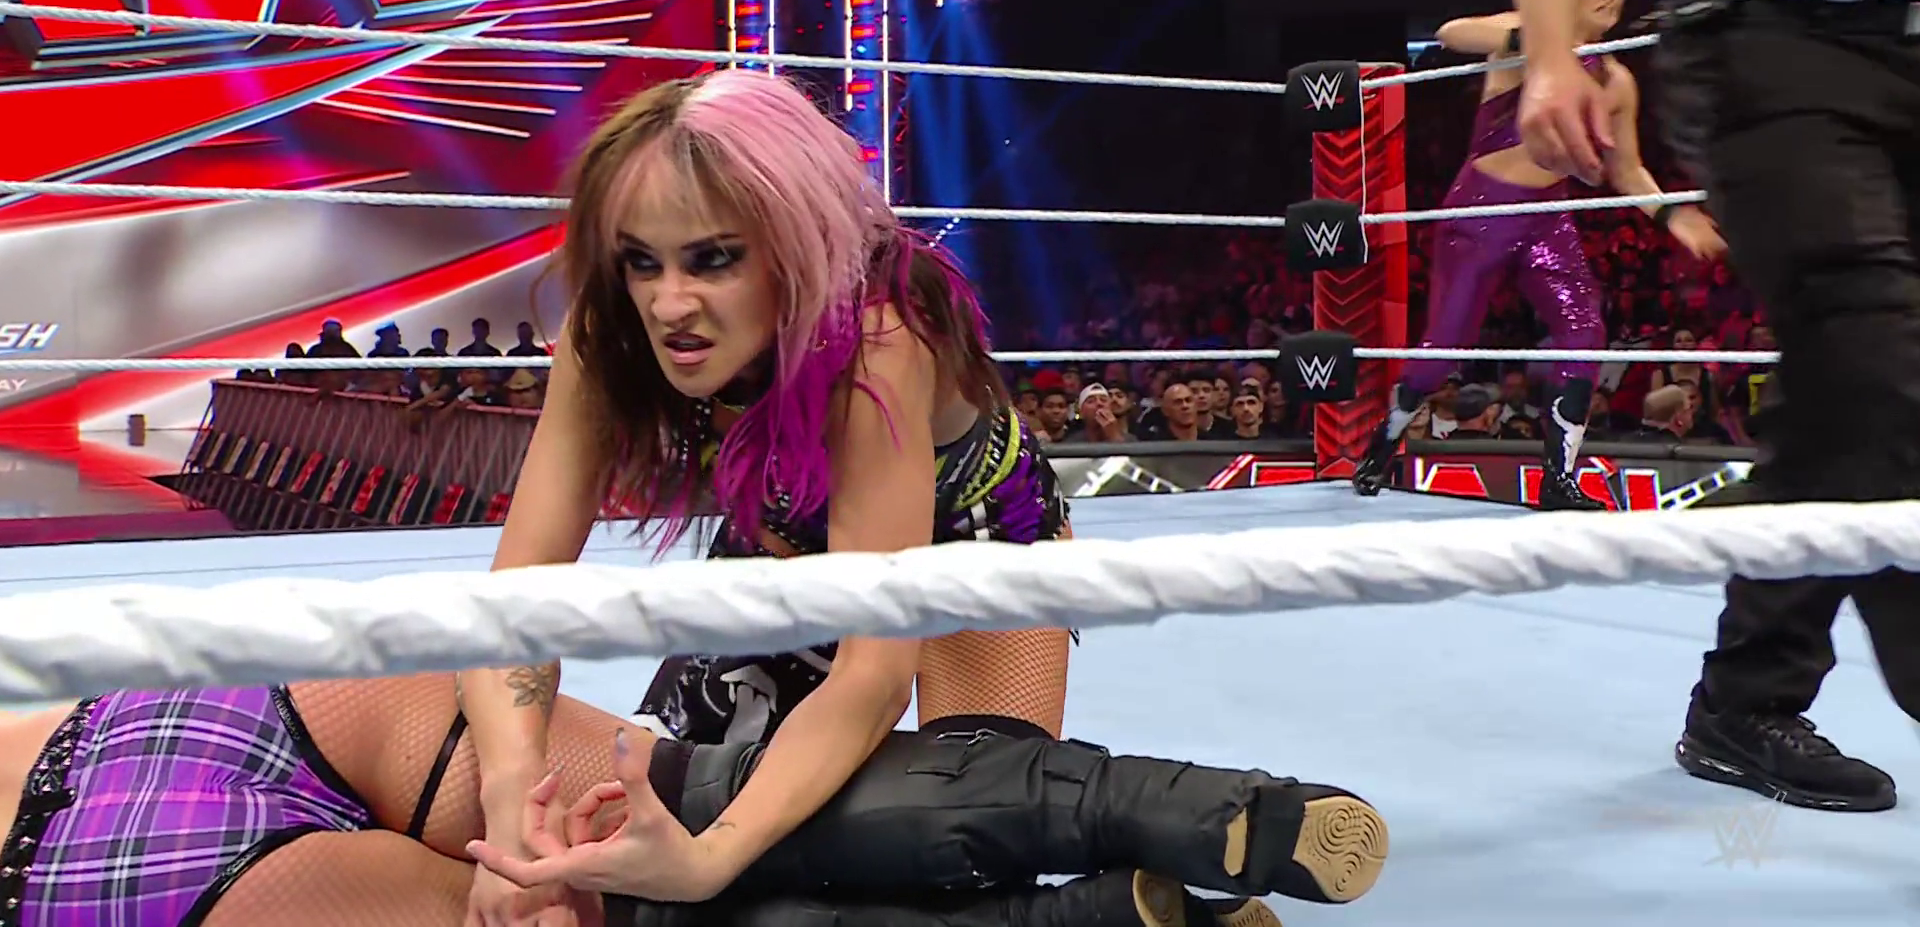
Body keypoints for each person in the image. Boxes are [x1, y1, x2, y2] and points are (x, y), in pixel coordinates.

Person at [451, 70, 1389, 920]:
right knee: (688, 817)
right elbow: (518, 606)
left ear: (795, 243)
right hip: (791, 539)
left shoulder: (876, 342)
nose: (669, 304)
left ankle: (1188, 821)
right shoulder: (607, 335)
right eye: (642, 261)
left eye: (714, 259)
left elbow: (871, 676)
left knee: (948, 826)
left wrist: (711, 860)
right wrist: (512, 809)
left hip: (977, 545)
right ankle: (1135, 916)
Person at [1507, 0, 1918, 813]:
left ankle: (1745, 698)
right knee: (1877, 363)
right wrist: (1552, 54)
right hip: (1767, 40)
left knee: (1839, 398)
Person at [0, 675, 1373, 926]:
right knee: (689, 800)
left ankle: (1102, 924)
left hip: (82, 872)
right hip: (153, 710)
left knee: (644, 915)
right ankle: (1203, 811)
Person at [1351, 0, 1725, 509]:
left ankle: (1559, 478)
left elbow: (1627, 171)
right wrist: (1532, 38)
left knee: (1585, 331)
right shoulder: (1526, 40)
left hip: (1549, 217)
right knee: (1444, 347)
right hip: (1481, 211)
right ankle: (1383, 444)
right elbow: (1451, 32)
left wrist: (1673, 215)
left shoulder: (1617, 82)